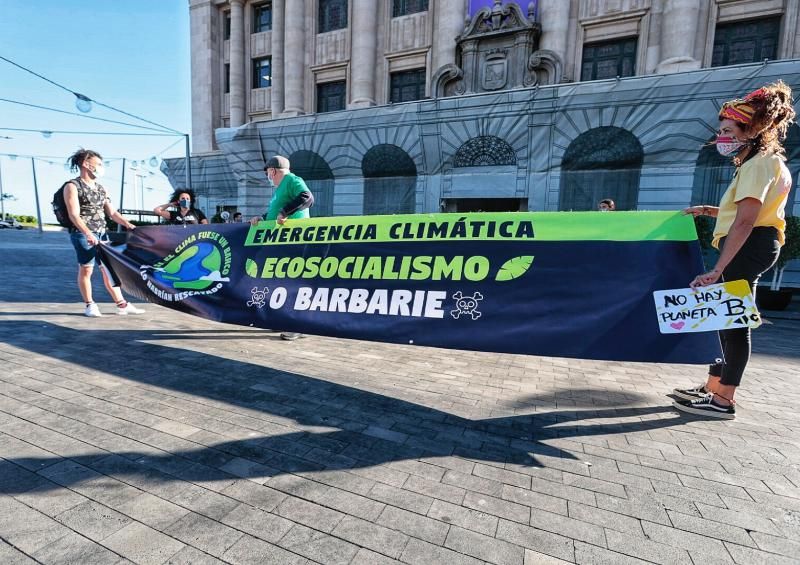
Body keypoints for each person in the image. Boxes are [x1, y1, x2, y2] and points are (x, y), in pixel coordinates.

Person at [673, 81, 795, 419]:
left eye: (727, 130)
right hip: (754, 242)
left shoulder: (758, 165)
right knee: (723, 317)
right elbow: (743, 212)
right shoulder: (763, 162)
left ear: (751, 129)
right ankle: (713, 387)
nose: (720, 136)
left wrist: (716, 269)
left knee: (732, 323)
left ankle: (723, 398)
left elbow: (745, 222)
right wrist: (710, 211)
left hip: (748, 243)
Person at [64, 149, 146, 317]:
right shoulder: (72, 186)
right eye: (99, 164)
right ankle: (90, 305)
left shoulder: (101, 188)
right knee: (86, 270)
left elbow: (112, 213)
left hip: (102, 233)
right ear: (86, 164)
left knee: (108, 269)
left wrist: (128, 225)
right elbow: (74, 215)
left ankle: (122, 304)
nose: (102, 167)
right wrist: (87, 233)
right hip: (83, 234)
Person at [250, 155, 314, 340]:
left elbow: (307, 198)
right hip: (282, 241)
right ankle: (285, 320)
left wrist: (285, 212)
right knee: (280, 282)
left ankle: (297, 325)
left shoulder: (292, 180)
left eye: (268, 173)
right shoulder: (280, 189)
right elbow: (275, 211)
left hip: (294, 241)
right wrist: (262, 218)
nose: (268, 177)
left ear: (273, 171)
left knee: (291, 282)